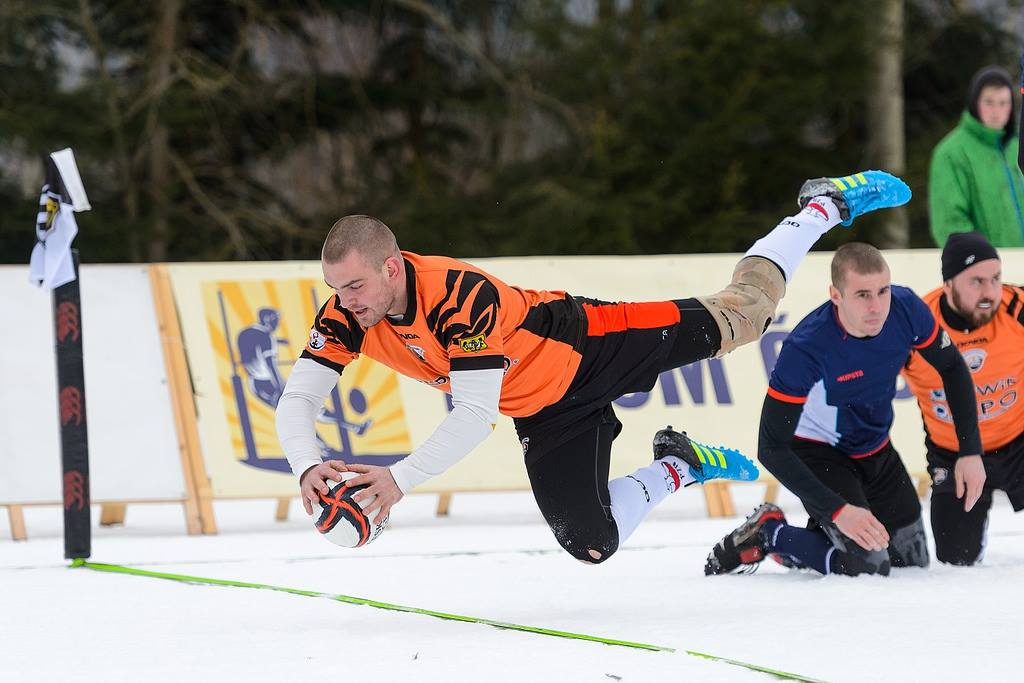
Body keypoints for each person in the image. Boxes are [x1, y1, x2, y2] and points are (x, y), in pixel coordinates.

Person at [276, 171, 911, 565]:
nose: (346, 300)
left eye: (355, 285)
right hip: (543, 409)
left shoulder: (458, 295)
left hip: (589, 344)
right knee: (592, 544)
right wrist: (306, 464)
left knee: (743, 318)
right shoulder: (346, 314)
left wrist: (400, 480)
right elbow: (298, 400)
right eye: (337, 287)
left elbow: (472, 416)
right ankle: (680, 466)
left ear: (391, 269)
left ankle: (821, 208)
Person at [705, 243, 984, 577]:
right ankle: (770, 533)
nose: (877, 306)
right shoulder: (807, 346)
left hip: (875, 448)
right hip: (820, 454)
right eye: (863, 295)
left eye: (883, 291)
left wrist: (970, 451)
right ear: (835, 295)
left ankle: (815, 541)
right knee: (869, 565)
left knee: (910, 562)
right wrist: (838, 510)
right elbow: (771, 448)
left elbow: (953, 367)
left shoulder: (906, 307)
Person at [903, 231, 1024, 565]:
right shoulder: (917, 323)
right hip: (953, 453)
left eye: (996, 279)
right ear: (948, 285)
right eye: (976, 282)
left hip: (1018, 441)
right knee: (954, 559)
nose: (990, 292)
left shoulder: (1017, 308)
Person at [929, 65, 1024, 247]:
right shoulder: (951, 152)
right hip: (985, 269)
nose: (996, 112)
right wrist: (980, 262)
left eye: (1003, 103)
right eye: (989, 102)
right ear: (975, 103)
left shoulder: (1017, 147)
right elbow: (949, 222)